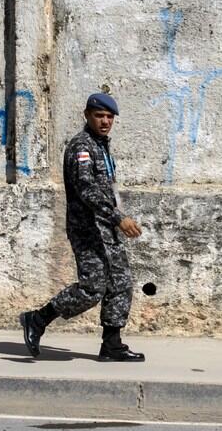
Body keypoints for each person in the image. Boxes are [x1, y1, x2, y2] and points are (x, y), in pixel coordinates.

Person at [20, 92, 145, 362]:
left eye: (109, 117)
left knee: (120, 283)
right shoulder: (82, 147)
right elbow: (87, 190)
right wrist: (117, 217)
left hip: (106, 228)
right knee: (92, 289)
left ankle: (112, 345)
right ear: (87, 115)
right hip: (88, 230)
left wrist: (116, 217)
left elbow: (106, 190)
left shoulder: (101, 146)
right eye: (99, 116)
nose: (105, 121)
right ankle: (37, 319)